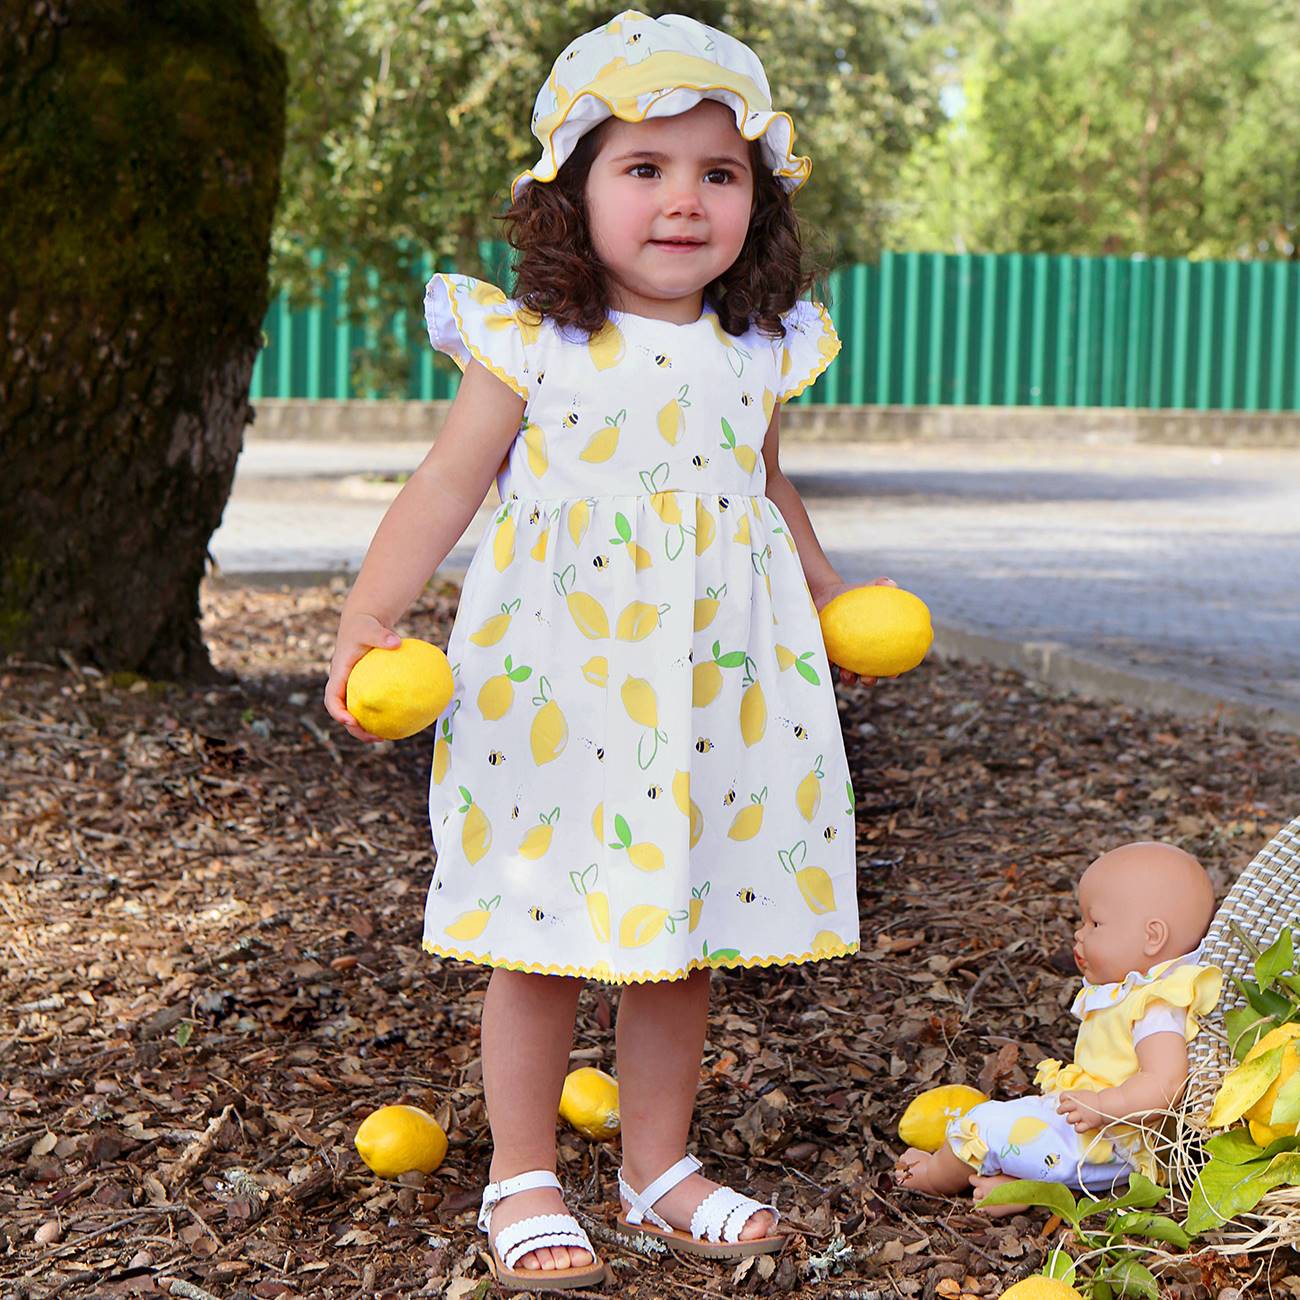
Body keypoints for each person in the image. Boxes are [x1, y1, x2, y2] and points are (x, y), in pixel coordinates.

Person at [324, 10, 891, 1288]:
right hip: (560, 685)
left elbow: (762, 489)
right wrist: (369, 619)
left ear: (759, 200)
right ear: (572, 194)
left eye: (718, 172)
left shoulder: (759, 351)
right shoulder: (531, 345)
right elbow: (442, 489)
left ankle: (655, 1166)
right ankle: (521, 1170)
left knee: (680, 931)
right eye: (644, 168)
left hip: (712, 685)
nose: (683, 201)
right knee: (542, 929)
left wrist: (827, 597)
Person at [895, 842, 1221, 1212]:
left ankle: (931, 1177)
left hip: (1116, 1138)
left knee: (984, 1124)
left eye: (1095, 923)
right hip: (1096, 1125)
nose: (1080, 935)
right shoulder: (1132, 991)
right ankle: (1022, 1188)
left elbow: (1165, 1084)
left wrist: (1103, 1105)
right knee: (1025, 1125)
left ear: (1152, 937)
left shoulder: (1157, 1005)